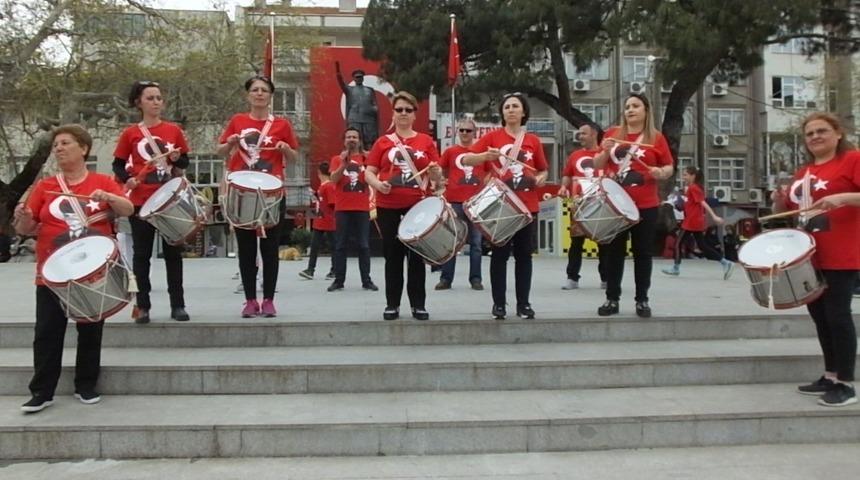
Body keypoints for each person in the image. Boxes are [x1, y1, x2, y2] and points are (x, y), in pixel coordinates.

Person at [13, 124, 134, 413]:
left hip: (91, 271)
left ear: (84, 148)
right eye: (56, 145)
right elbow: (26, 228)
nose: (58, 148)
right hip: (52, 272)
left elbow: (128, 209)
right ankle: (42, 392)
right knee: (47, 332)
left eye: (65, 143)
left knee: (90, 329)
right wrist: (24, 216)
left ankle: (86, 385)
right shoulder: (45, 186)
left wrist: (110, 197)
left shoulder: (102, 181)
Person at [771, 112, 859, 407]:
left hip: (842, 252)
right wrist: (778, 200)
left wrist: (843, 198)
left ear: (838, 133)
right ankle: (830, 375)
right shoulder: (804, 172)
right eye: (809, 133)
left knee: (837, 315)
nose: (815, 137)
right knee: (820, 317)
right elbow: (790, 211)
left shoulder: (852, 160)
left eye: (822, 131)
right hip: (809, 256)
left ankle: (846, 384)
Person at [217, 75, 298, 318]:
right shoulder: (237, 121)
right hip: (243, 192)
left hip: (272, 193)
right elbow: (220, 150)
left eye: (264, 90)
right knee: (246, 249)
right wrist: (230, 142)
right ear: (248, 95)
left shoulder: (282, 124)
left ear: (270, 96)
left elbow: (294, 157)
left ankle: (269, 299)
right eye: (255, 90)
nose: (259, 93)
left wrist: (285, 148)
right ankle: (250, 300)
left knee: (270, 248)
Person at [463, 93, 549, 320]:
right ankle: (499, 304)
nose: (511, 110)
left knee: (524, 256)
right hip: (500, 206)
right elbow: (466, 160)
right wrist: (484, 156)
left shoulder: (533, 140)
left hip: (527, 206)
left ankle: (524, 304)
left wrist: (542, 178)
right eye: (507, 107)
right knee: (499, 255)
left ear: (523, 112)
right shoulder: (492, 137)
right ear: (502, 112)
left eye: (515, 106)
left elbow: (542, 169)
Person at [113, 80, 191, 324]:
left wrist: (176, 159)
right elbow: (118, 164)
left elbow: (184, 162)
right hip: (141, 201)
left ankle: (178, 305)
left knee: (173, 254)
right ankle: (142, 305)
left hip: (168, 200)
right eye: (150, 98)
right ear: (139, 103)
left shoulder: (173, 130)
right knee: (141, 255)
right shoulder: (130, 133)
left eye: (159, 98)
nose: (156, 102)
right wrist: (127, 179)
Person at [592, 93, 673, 318]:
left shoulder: (656, 138)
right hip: (616, 205)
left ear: (646, 111)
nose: (630, 110)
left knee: (643, 253)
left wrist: (660, 172)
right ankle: (612, 298)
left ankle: (642, 300)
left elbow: (669, 167)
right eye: (627, 106)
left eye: (636, 106)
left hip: (645, 205)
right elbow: (596, 164)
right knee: (614, 253)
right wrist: (605, 150)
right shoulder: (612, 134)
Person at [365, 91, 442, 320]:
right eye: (399, 109)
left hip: (418, 206)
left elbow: (437, 176)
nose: (403, 113)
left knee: (417, 257)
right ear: (393, 113)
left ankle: (418, 304)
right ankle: (392, 304)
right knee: (393, 256)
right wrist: (378, 185)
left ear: (414, 114)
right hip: (388, 205)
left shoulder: (425, 141)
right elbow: (369, 172)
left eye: (408, 110)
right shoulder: (382, 142)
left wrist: (435, 172)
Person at [435, 118, 485, 291]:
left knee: (476, 244)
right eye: (461, 130)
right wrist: (442, 184)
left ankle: (476, 279)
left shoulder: (481, 153)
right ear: (457, 132)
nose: (464, 133)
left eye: (468, 130)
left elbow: (490, 172)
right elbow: (441, 171)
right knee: (452, 242)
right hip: (455, 202)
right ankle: (446, 279)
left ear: (474, 133)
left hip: (476, 203)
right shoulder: (450, 152)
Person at [558, 122, 607, 290]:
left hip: (601, 204)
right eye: (579, 133)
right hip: (579, 204)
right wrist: (563, 187)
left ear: (594, 134)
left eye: (583, 133)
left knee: (603, 243)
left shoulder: (604, 154)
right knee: (576, 242)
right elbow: (567, 175)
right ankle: (572, 278)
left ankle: (606, 278)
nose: (580, 136)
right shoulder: (575, 155)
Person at [662, 166, 734, 279]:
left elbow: (702, 203)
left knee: (678, 243)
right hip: (696, 221)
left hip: (691, 221)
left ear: (693, 176)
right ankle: (725, 262)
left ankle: (676, 268)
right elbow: (690, 204)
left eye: (685, 175)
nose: (683, 177)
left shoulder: (693, 188)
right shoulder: (694, 188)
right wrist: (671, 203)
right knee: (702, 246)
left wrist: (714, 216)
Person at [328, 127, 378, 292]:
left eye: (354, 137)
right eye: (348, 137)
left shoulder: (367, 158)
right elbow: (333, 179)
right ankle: (339, 280)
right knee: (340, 245)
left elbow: (374, 177)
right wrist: (343, 164)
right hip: (342, 208)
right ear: (344, 141)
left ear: (359, 141)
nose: (351, 139)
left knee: (363, 245)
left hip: (362, 208)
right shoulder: (337, 159)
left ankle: (366, 280)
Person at [299, 162, 336, 281]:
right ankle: (310, 269)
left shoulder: (329, 186)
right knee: (315, 245)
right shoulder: (324, 186)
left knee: (333, 246)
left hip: (328, 220)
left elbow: (332, 203)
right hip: (320, 220)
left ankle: (335, 270)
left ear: (319, 172)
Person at [336, 62, 378, 150]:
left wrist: (374, 109)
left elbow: (374, 103)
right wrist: (338, 72)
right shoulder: (349, 90)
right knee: (355, 139)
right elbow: (341, 83)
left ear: (363, 78)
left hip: (368, 119)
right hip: (355, 119)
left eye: (360, 77)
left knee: (369, 140)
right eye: (357, 77)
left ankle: (369, 156)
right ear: (354, 79)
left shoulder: (369, 90)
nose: (359, 78)